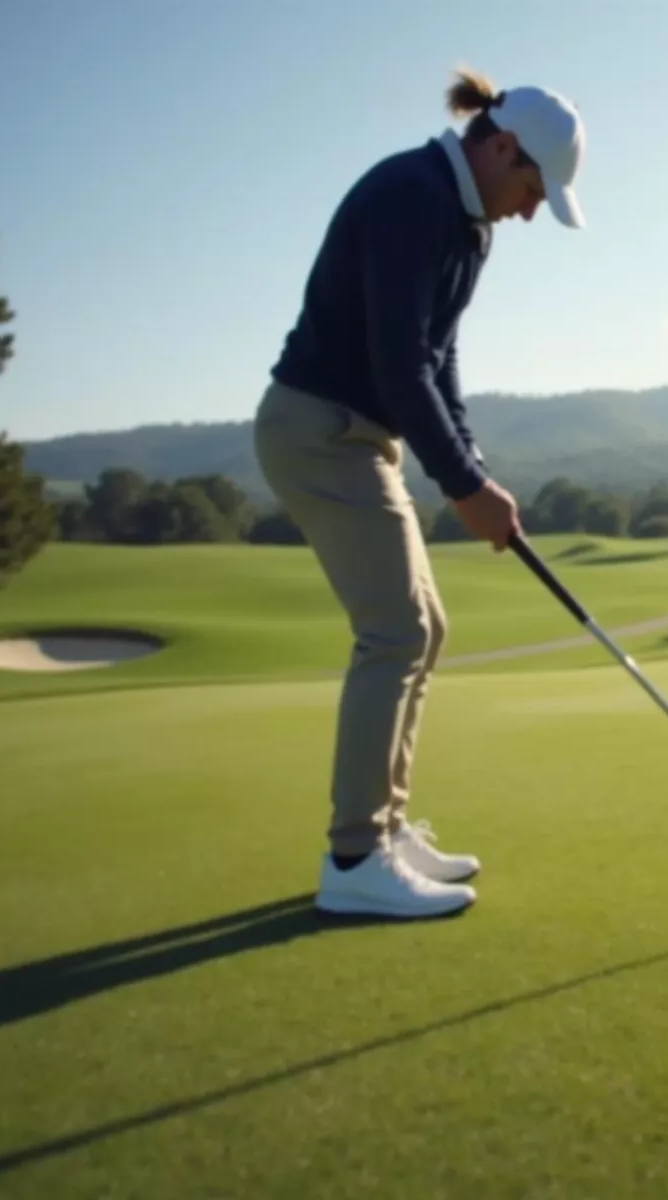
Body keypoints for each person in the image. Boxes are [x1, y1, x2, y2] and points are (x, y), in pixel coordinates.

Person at [252, 68, 586, 920]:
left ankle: (387, 830)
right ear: (501, 147)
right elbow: (400, 363)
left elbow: (439, 361)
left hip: (361, 434)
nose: (526, 209)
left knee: (425, 628)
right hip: (319, 428)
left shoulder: (467, 226)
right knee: (394, 629)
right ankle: (355, 855)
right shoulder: (410, 195)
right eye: (529, 188)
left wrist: (474, 467)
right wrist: (463, 486)